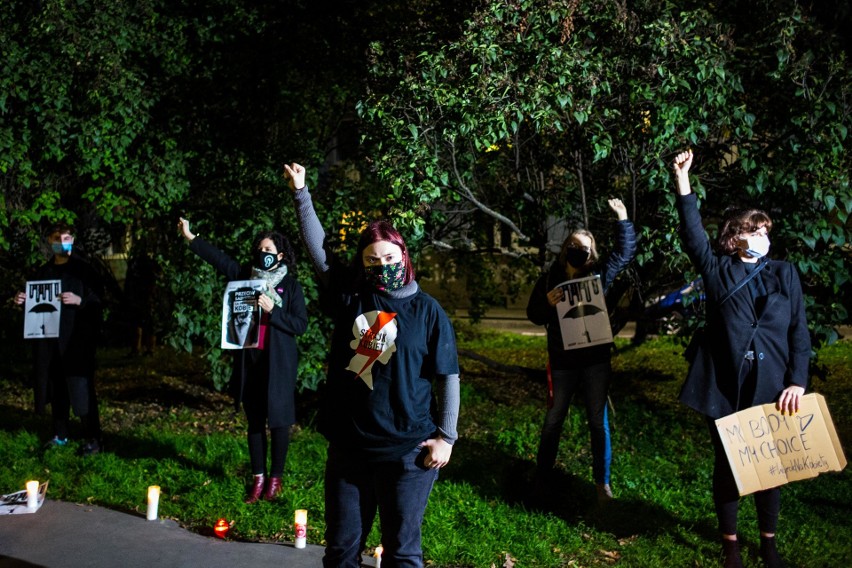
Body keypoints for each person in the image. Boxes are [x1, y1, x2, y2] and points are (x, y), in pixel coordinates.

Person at [284, 162, 460, 568]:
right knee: (342, 553)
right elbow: (320, 252)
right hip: (350, 448)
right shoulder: (353, 296)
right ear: (363, 265)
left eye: (388, 256)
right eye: (372, 259)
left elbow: (447, 376)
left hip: (408, 452)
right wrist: (301, 194)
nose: (381, 265)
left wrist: (446, 437)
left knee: (402, 553)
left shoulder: (429, 311)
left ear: (404, 254)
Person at [672, 149, 810, 568]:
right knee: (729, 468)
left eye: (766, 229)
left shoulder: (783, 273)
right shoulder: (717, 271)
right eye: (754, 229)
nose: (762, 235)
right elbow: (693, 232)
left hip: (774, 389)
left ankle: (768, 544)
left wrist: (797, 381)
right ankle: (730, 546)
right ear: (735, 237)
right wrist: (682, 179)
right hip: (726, 388)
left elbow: (799, 332)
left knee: (772, 470)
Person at [179, 218, 308, 503]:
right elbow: (219, 260)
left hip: (279, 366)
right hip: (250, 361)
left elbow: (300, 325)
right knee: (254, 422)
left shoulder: (290, 286)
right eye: (260, 248)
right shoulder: (245, 277)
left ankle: (275, 480)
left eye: (269, 248)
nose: (263, 252)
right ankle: (258, 478)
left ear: (280, 255)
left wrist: (274, 310)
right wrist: (191, 238)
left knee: (279, 423)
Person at [526, 198, 636, 503]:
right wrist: (547, 305)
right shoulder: (550, 278)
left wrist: (623, 218)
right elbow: (533, 314)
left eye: (585, 247)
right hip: (562, 362)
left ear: (592, 254)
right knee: (553, 422)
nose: (579, 250)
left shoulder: (600, 275)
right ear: (565, 248)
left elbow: (625, 253)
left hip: (595, 362)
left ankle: (602, 484)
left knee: (597, 423)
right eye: (574, 244)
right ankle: (542, 477)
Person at [15, 223, 104, 455]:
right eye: (56, 237)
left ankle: (93, 437)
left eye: (65, 237)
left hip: (76, 341)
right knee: (56, 390)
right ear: (49, 241)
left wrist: (80, 301)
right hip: (50, 342)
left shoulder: (85, 271)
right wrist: (22, 301)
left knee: (81, 390)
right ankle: (60, 434)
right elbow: (35, 306)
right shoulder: (43, 272)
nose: (61, 241)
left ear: (72, 239)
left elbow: (98, 303)